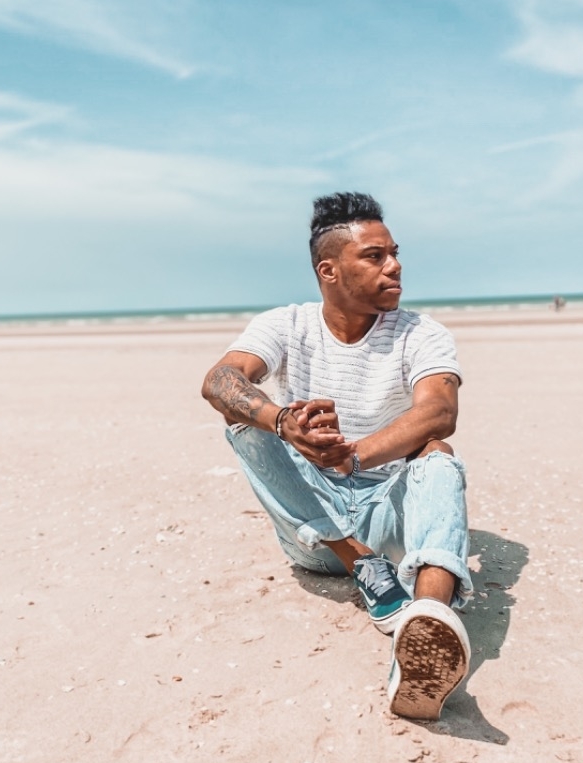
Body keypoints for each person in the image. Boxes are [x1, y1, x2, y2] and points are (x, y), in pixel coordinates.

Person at [201, 192, 473, 720]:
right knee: (244, 424)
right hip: (315, 528)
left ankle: (426, 622)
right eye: (375, 256)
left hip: (387, 512)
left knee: (437, 450)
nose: (394, 266)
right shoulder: (288, 325)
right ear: (329, 270)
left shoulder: (421, 333)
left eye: (394, 253)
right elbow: (219, 381)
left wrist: (353, 456)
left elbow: (439, 411)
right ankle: (362, 565)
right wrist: (285, 423)